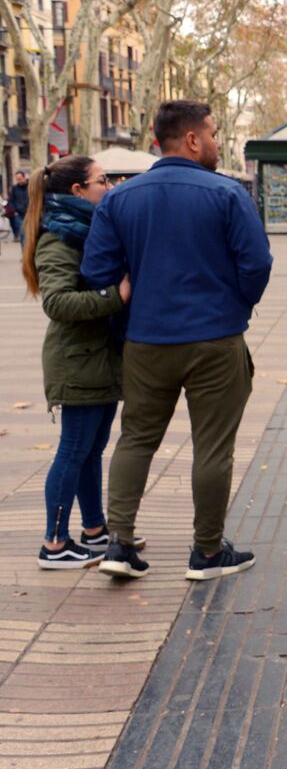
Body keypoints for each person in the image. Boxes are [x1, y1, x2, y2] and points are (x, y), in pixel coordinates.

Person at [83, 100, 273, 580]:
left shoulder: (119, 199)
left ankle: (119, 544)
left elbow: (97, 273)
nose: (215, 140)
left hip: (147, 340)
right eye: (211, 132)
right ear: (191, 139)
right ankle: (207, 553)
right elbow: (257, 264)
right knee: (213, 447)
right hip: (215, 339)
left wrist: (136, 303)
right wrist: (236, 306)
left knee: (136, 439)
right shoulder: (227, 194)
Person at [19, 156, 142, 568]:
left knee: (91, 451)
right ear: (77, 191)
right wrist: (115, 297)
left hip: (98, 358)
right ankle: (54, 543)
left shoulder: (86, 230)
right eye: (101, 180)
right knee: (73, 450)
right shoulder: (59, 237)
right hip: (77, 362)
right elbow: (56, 302)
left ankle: (94, 529)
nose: (109, 186)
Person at [10, 170, 29, 246]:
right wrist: (14, 210)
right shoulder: (14, 188)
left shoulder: (30, 186)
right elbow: (11, 200)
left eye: (20, 179)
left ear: (24, 177)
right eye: (17, 179)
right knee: (22, 234)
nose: (19, 181)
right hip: (19, 214)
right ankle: (24, 254)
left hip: (30, 213)